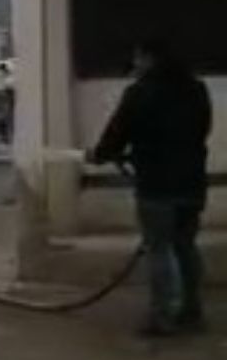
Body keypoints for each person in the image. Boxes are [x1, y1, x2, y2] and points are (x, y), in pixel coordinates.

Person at [88, 38, 213, 337]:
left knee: (160, 249)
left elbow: (116, 135)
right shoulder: (196, 89)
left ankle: (162, 316)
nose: (136, 65)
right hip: (192, 183)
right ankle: (192, 311)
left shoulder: (139, 93)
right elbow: (202, 130)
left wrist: (101, 153)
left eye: (138, 59)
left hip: (156, 186)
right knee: (186, 246)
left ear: (149, 59)